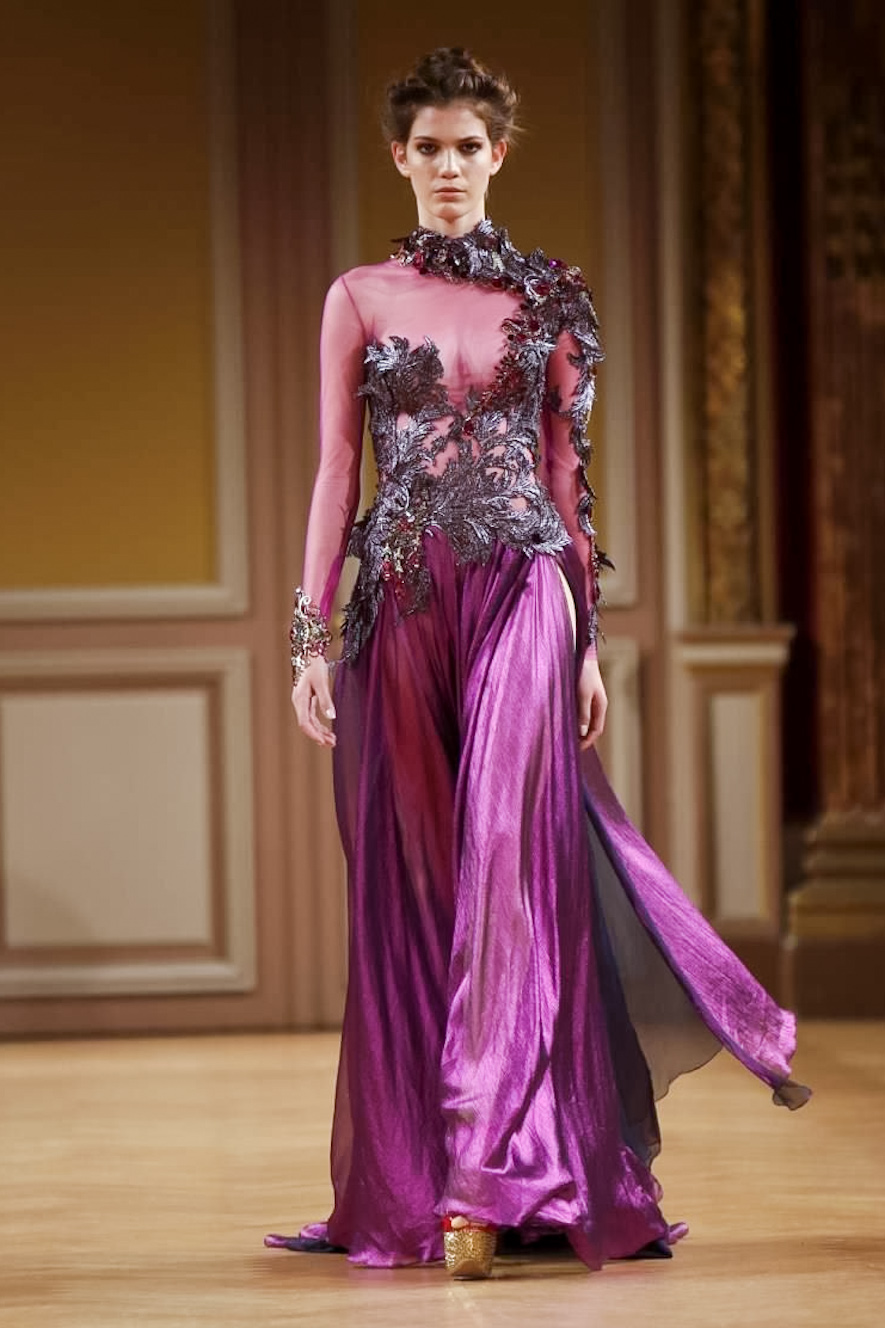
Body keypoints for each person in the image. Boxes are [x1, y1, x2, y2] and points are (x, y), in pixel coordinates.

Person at [266, 47, 809, 1281]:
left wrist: (588, 639)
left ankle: (493, 1173)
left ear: (498, 156)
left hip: (524, 586)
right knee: (420, 882)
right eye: (429, 147)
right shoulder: (358, 296)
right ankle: (427, 1172)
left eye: (470, 146)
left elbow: (567, 477)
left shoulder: (552, 296)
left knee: (510, 862)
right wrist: (309, 634)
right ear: (399, 159)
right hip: (401, 597)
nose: (450, 165)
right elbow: (337, 471)